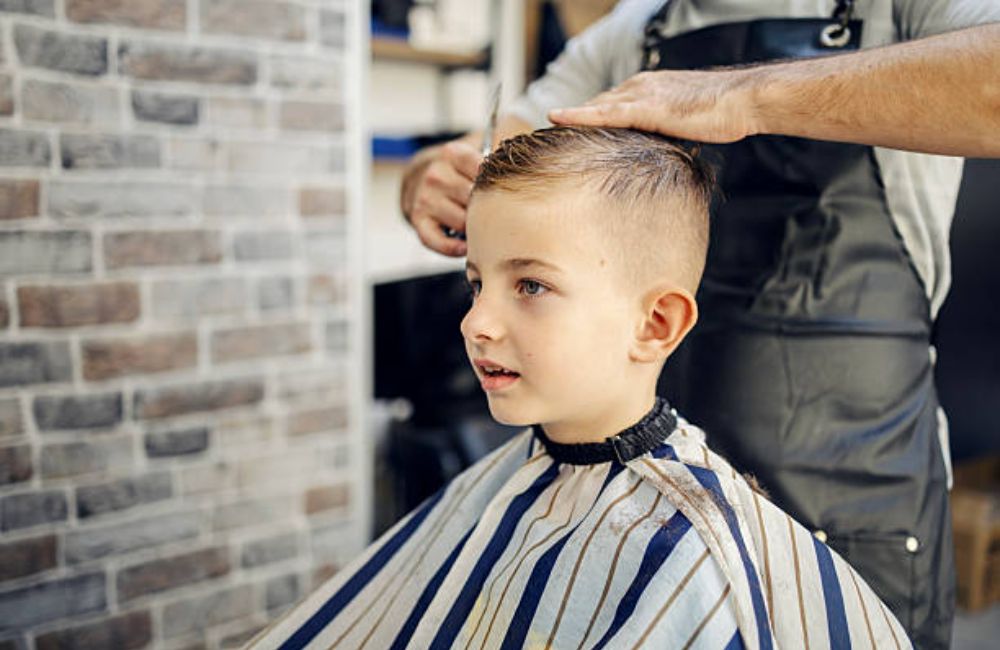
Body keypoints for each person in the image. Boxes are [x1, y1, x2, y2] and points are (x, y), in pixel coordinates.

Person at [398, 3, 1000, 647]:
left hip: (857, 484)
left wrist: (745, 94)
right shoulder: (638, 28)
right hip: (647, 481)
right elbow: (506, 143)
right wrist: (431, 173)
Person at [251, 127, 911, 649]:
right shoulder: (507, 481)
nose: (475, 322)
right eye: (476, 283)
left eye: (530, 286)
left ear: (654, 325)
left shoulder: (699, 561)